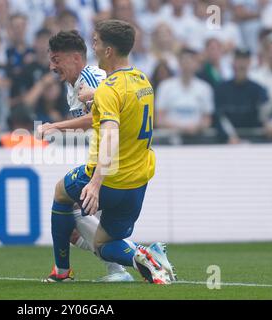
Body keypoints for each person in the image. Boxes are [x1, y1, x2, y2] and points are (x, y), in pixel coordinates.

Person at [42, 22, 175, 284]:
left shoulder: (102, 84)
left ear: (109, 49)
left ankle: (62, 273)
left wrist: (95, 181)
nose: (95, 47)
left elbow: (107, 126)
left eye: (97, 42)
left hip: (110, 172)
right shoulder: (142, 79)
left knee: (61, 194)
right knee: (98, 238)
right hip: (139, 175)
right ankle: (140, 259)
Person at [37, 30, 133, 282]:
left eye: (57, 59)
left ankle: (65, 272)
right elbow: (94, 122)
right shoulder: (76, 84)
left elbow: (100, 117)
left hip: (113, 161)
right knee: (74, 224)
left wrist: (55, 126)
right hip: (108, 159)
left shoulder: (90, 79)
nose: (52, 66)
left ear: (76, 58)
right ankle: (123, 268)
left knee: (65, 200)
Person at [215, 49, 268, 144]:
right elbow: (219, 116)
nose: (241, 64)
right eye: (238, 60)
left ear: (249, 63)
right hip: (227, 141)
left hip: (255, 141)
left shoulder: (258, 89)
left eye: (244, 60)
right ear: (233, 62)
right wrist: (229, 136)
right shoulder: (221, 89)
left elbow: (264, 115)